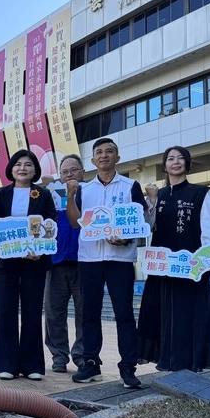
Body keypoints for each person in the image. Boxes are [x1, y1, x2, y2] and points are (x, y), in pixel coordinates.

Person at [66, 137, 156, 388]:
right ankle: (90, 364)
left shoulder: (130, 186)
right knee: (89, 314)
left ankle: (128, 367)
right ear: (93, 160)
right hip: (90, 259)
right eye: (99, 152)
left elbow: (140, 222)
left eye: (109, 152)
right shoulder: (84, 189)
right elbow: (74, 223)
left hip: (120, 259)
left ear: (117, 157)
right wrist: (70, 197)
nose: (104, 155)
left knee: (124, 314)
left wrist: (126, 239)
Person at [137, 146, 210, 373]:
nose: (175, 162)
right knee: (163, 316)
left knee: (188, 316)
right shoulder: (157, 195)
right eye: (170, 159)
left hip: (190, 269)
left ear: (188, 164)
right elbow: (145, 228)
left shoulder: (201, 193)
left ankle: (189, 365)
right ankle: (168, 363)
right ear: (164, 166)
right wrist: (152, 201)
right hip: (162, 268)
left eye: (180, 158)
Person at [0, 149, 56, 381]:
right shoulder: (2, 193)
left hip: (34, 260)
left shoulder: (43, 194)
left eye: (28, 164)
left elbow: (50, 224)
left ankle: (32, 365)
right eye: (18, 164)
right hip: (6, 259)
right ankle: (7, 364)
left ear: (35, 170)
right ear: (11, 169)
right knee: (6, 310)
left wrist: (39, 249)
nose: (23, 168)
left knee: (32, 311)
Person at [43, 154, 85, 373]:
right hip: (55, 261)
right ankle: (59, 356)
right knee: (53, 313)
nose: (69, 175)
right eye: (65, 172)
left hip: (84, 261)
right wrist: (43, 189)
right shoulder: (52, 194)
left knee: (85, 313)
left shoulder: (90, 191)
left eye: (74, 170)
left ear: (83, 172)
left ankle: (82, 356)